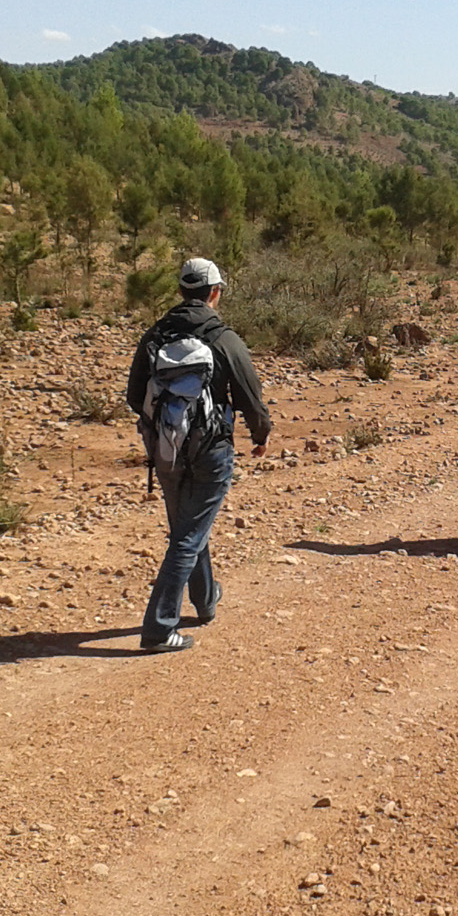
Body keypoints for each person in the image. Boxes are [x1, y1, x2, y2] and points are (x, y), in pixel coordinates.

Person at [125, 257, 271, 653]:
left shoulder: (155, 335)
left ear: (180, 292)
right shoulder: (224, 339)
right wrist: (261, 434)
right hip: (211, 451)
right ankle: (158, 628)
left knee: (188, 527)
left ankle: (206, 601)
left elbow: (134, 396)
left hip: (166, 451)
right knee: (189, 535)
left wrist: (168, 428)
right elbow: (250, 397)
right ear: (215, 293)